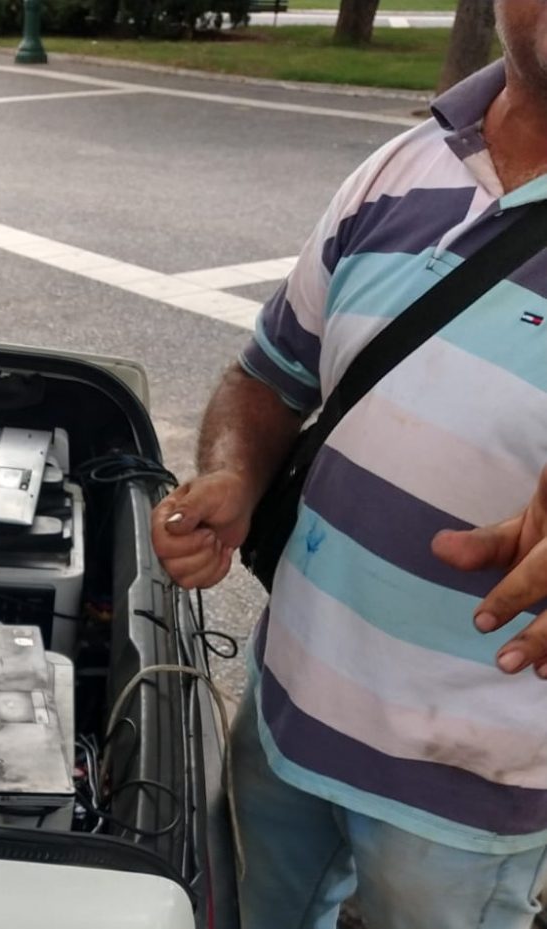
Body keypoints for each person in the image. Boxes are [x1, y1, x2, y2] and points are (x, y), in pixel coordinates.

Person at [150, 5, 547, 928]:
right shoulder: (402, 165)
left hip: (470, 789)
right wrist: (234, 475)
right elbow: (267, 374)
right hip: (286, 714)